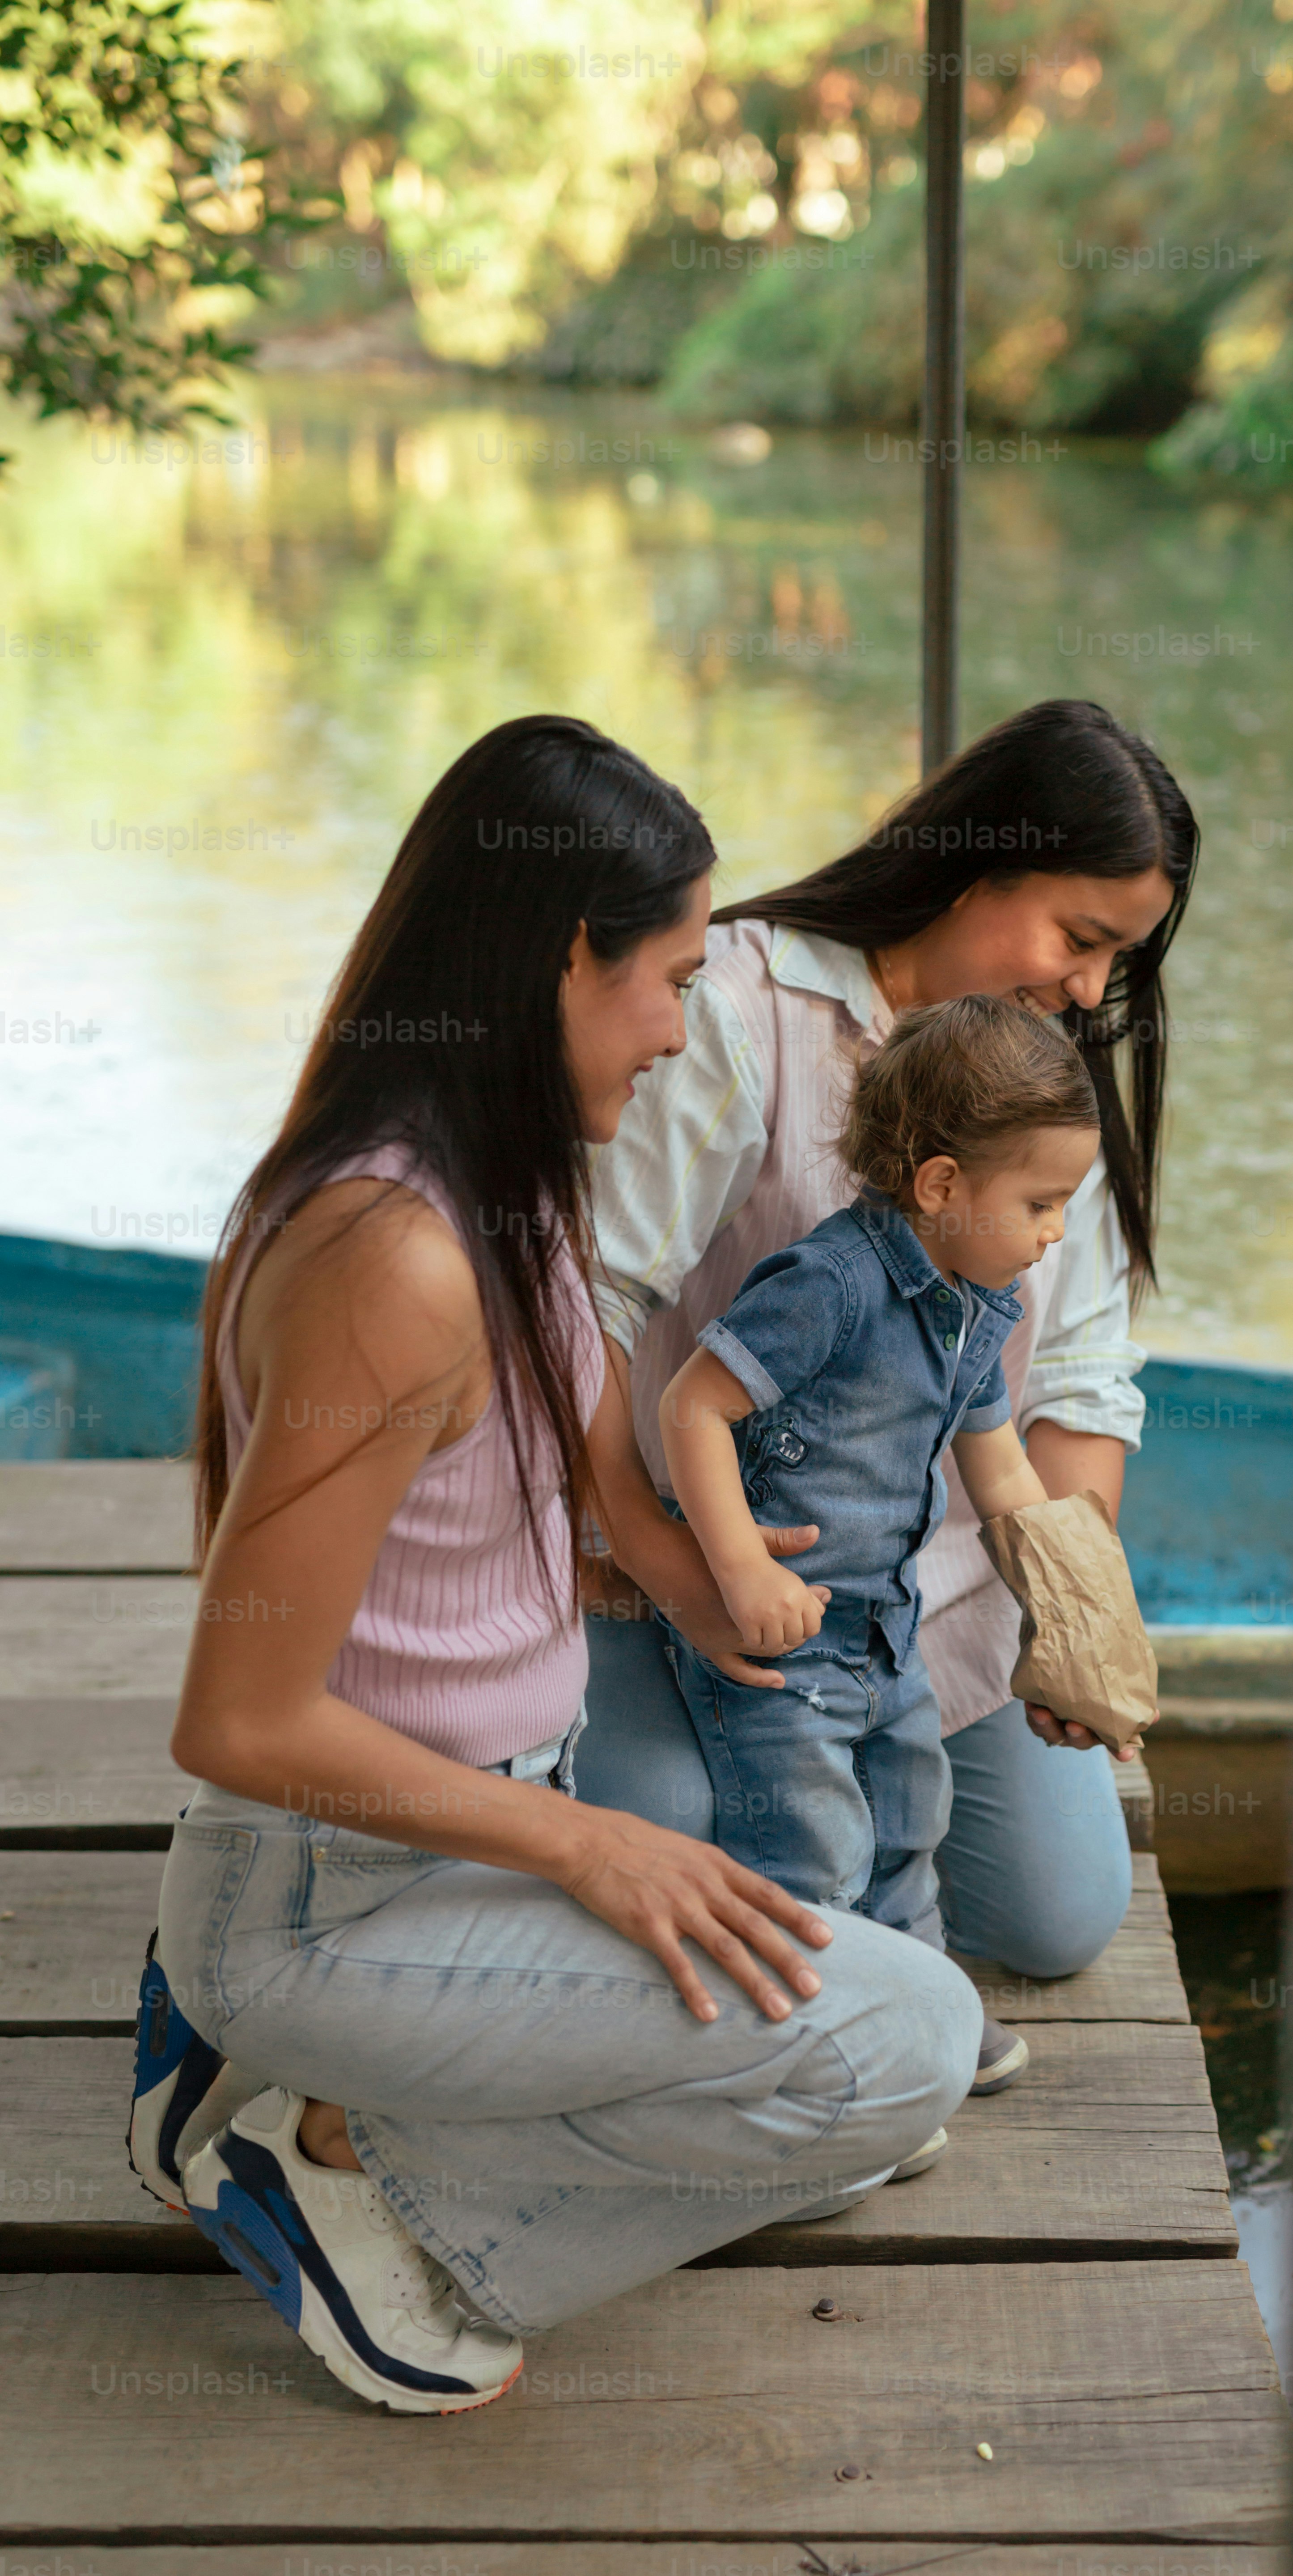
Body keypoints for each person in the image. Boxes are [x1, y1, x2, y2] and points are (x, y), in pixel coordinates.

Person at [132, 715, 982, 2418]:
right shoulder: (390, 1258)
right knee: (905, 2050)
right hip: (333, 1898)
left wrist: (691, 1576)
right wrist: (590, 1847)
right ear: (557, 958)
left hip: (447, 1840)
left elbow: (592, 1420)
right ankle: (341, 2163)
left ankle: (275, 2073)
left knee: (775, 1911)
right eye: (668, 977)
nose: (682, 1031)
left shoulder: (507, 1180)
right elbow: (235, 1719)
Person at [580, 698, 1198, 2089]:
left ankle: (889, 2004)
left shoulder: (1043, 1073)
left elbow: (1083, 1372)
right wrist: (680, 1566)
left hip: (914, 1596)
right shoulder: (741, 1013)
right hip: (682, 1554)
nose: (1096, 992)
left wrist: (1067, 1604)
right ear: (976, 874)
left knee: (1055, 1914)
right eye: (1081, 938)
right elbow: (589, 1311)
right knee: (682, 1831)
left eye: (1121, 958)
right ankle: (833, 2056)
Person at [658, 999, 1114, 2174]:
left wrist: (1075, 1608)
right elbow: (692, 1406)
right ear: (944, 1184)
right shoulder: (831, 1282)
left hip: (883, 1630)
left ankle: (919, 2030)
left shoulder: (980, 1305)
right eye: (1042, 1205)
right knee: (810, 1851)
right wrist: (740, 1565)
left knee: (911, 1824)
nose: (1058, 1233)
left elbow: (1000, 1464)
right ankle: (816, 2070)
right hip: (783, 1636)